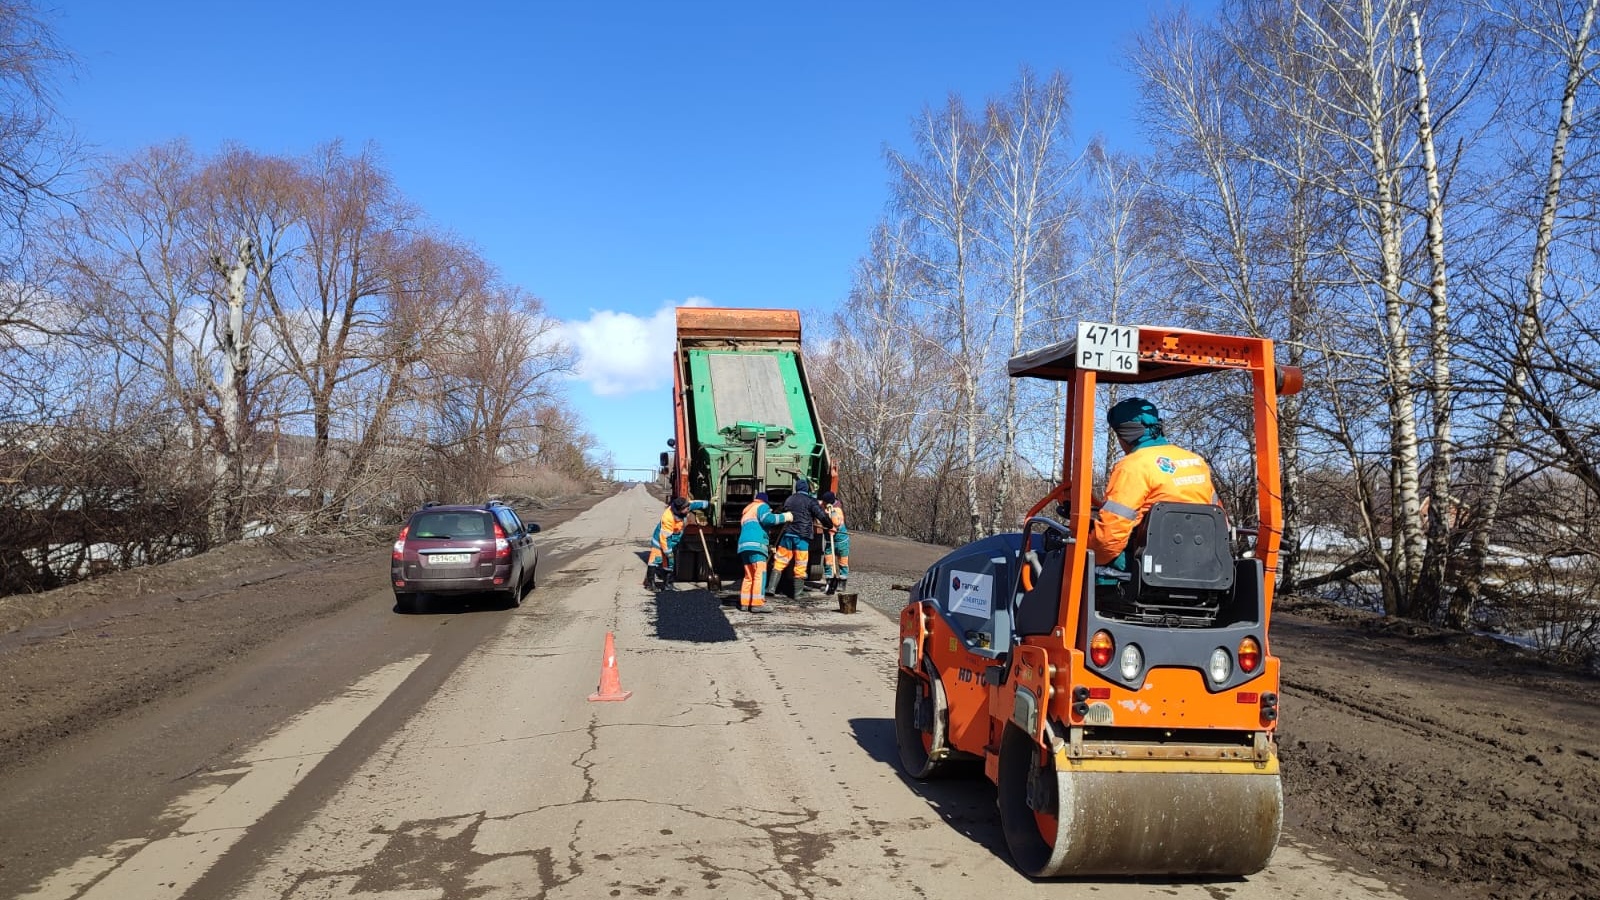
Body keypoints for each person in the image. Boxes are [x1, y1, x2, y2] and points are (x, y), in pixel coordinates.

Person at [1088, 397, 1220, 584]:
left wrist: (1088, 552)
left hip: (1147, 568)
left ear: (1124, 434)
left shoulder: (1133, 466)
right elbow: (1219, 517)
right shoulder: (1196, 462)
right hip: (1199, 565)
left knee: (1066, 552)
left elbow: (1109, 538)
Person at [768, 479, 828, 599]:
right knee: (800, 564)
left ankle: (771, 588)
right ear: (807, 489)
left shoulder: (790, 499)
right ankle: (797, 593)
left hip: (788, 535)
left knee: (780, 561)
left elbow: (779, 511)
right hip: (802, 536)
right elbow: (820, 514)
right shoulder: (810, 500)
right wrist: (829, 524)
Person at [737, 492, 792, 612]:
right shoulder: (762, 506)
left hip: (744, 546)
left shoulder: (747, 511)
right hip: (756, 545)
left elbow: (754, 529)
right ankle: (757, 603)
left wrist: (767, 547)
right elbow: (767, 519)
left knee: (749, 575)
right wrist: (785, 517)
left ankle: (745, 603)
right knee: (759, 574)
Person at [644, 495, 709, 590]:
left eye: (688, 508)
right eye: (686, 509)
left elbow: (694, 504)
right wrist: (668, 552)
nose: (688, 509)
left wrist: (707, 504)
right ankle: (650, 584)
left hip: (672, 540)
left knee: (669, 563)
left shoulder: (684, 506)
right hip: (660, 541)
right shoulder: (668, 518)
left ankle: (667, 585)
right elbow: (665, 539)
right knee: (655, 561)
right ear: (679, 510)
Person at [820, 490, 849, 596]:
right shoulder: (826, 507)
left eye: (824, 502)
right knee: (828, 562)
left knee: (843, 562)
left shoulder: (836, 510)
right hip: (830, 540)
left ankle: (842, 583)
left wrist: (831, 512)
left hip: (841, 541)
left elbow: (836, 523)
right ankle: (829, 581)